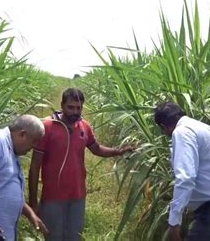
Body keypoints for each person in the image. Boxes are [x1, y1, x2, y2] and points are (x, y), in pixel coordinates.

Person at [28, 88, 133, 241]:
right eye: (71, 107)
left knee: (74, 236)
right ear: (62, 105)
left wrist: (119, 151)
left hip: (77, 195)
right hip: (52, 196)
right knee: (53, 236)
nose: (75, 112)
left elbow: (96, 149)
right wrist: (32, 200)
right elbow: (34, 167)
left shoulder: (84, 126)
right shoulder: (47, 127)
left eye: (79, 108)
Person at [154, 102, 210, 241]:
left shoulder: (182, 132)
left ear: (163, 127)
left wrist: (174, 222)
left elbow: (185, 178)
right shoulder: (204, 127)